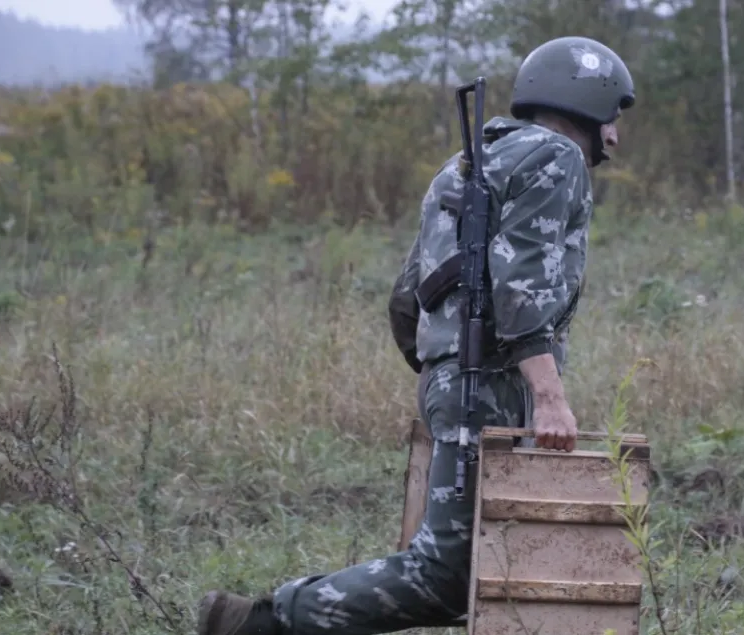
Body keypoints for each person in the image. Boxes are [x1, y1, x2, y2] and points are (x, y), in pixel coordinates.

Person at [195, 34, 635, 635]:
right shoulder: (557, 159)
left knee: (484, 561)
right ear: (587, 103)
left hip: (452, 378)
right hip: (490, 381)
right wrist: (549, 397)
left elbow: (409, 294)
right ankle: (264, 622)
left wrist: (441, 371)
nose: (614, 136)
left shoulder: (465, 163)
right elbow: (523, 283)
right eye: (614, 116)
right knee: (448, 575)